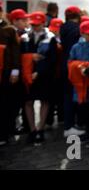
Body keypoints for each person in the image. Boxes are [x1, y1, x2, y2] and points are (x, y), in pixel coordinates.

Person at [20, 11, 57, 145]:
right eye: (33, 24)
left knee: (44, 101)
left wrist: (39, 72)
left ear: (43, 23)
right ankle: (32, 130)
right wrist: (31, 58)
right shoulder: (24, 37)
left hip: (44, 75)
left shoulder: (50, 37)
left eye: (37, 24)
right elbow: (21, 55)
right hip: (27, 74)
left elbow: (52, 59)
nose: (35, 27)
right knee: (28, 102)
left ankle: (40, 129)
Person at [60, 6, 84, 137]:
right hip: (74, 65)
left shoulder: (63, 27)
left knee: (67, 95)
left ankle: (69, 124)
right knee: (72, 95)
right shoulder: (76, 29)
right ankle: (70, 125)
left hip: (65, 64)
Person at [0, 4, 22, 145]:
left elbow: (15, 52)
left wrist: (15, 71)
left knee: (6, 104)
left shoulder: (8, 30)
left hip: (6, 72)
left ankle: (5, 133)